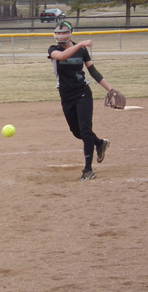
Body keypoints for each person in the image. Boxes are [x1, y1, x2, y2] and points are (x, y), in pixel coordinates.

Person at [48, 21, 114, 181]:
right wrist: (82, 43)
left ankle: (88, 170)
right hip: (66, 96)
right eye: (58, 33)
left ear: (70, 33)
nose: (60, 36)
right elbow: (63, 56)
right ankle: (99, 143)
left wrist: (110, 90)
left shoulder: (82, 50)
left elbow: (93, 71)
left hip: (83, 93)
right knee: (77, 132)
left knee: (85, 130)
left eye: (63, 33)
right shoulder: (53, 50)